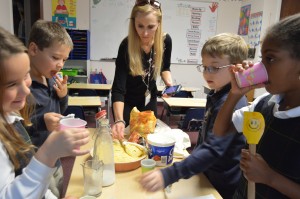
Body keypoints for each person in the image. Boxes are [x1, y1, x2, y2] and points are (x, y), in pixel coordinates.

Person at [139, 33, 249, 199]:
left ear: (236, 67)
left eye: (214, 67)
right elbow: (205, 140)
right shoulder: (217, 94)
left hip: (222, 184)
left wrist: (169, 175)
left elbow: (213, 150)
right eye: (204, 67)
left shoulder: (232, 104)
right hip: (206, 175)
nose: (207, 73)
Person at [213, 14, 300, 198]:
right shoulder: (265, 102)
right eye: (262, 59)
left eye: (271, 59)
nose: (261, 67)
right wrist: (235, 93)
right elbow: (221, 131)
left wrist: (270, 178)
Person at [0, 26, 89, 199]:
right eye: (12, 84)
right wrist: (47, 152)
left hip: (47, 163)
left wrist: (63, 96)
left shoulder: (11, 114)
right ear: (33, 50)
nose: (26, 91)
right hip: (42, 159)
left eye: (25, 76)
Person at [111, 0, 173, 140]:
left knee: (149, 140)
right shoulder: (126, 46)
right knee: (128, 140)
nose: (145, 33)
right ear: (133, 23)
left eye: (151, 27)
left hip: (148, 99)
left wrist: (169, 83)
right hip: (127, 102)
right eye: (140, 26)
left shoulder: (165, 41)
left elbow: (165, 68)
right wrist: (119, 120)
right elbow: (118, 89)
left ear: (158, 24)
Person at [26, 20, 73, 197]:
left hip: (55, 157)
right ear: (33, 49)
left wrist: (63, 96)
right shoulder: (23, 89)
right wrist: (41, 122)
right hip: (34, 162)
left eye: (64, 59)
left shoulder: (51, 78)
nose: (60, 64)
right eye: (55, 58)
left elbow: (59, 112)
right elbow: (15, 131)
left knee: (59, 189)